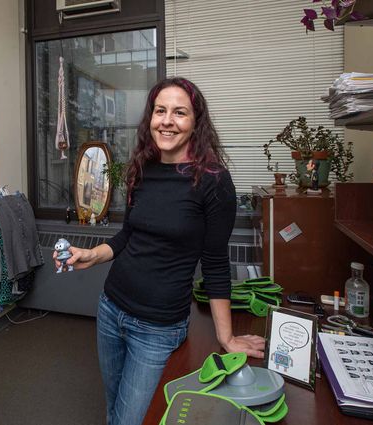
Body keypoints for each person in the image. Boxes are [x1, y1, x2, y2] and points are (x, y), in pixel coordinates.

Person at [54, 77, 265, 425]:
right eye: (160, 110)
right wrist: (94, 254)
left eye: (179, 112)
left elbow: (214, 263)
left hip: (157, 328)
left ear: (196, 121)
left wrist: (225, 337)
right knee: (113, 408)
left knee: (134, 419)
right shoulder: (142, 168)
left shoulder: (214, 181)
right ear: (150, 117)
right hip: (110, 310)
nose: (167, 120)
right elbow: (128, 236)